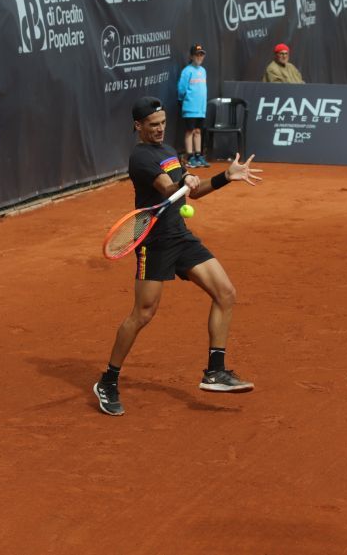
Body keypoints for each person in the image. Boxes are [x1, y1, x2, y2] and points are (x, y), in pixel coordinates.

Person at [93, 96, 263, 416]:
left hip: (180, 236)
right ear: (138, 126)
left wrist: (225, 177)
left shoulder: (169, 151)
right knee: (143, 314)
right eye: (153, 125)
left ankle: (215, 371)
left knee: (225, 293)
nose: (159, 129)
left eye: (163, 123)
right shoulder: (140, 157)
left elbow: (192, 192)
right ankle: (108, 380)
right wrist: (183, 179)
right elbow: (169, 187)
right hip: (154, 242)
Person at [177, 43, 209, 169]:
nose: (200, 57)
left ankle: (198, 156)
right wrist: (181, 100)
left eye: (201, 54)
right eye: (197, 55)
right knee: (190, 131)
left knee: (198, 131)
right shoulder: (187, 71)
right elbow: (181, 89)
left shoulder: (203, 71)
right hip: (190, 107)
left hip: (201, 109)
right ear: (191, 56)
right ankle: (189, 157)